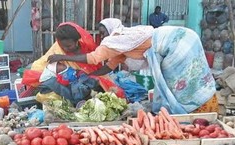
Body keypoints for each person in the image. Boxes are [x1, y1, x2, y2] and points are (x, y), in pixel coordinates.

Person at [48, 18, 218, 114]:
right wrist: (91, 76)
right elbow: (109, 66)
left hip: (176, 42)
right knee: (184, 80)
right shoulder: (124, 43)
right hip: (182, 37)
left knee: (182, 82)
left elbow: (93, 58)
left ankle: (195, 111)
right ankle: (194, 111)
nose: (103, 36)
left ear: (111, 30)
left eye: (103, 32)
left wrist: (60, 56)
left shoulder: (115, 39)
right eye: (100, 34)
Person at [31, 22, 125, 104]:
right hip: (68, 84)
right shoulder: (57, 50)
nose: (65, 49)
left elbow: (94, 62)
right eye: (63, 46)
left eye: (69, 46)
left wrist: (87, 76)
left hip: (87, 81)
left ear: (77, 41)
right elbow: (39, 67)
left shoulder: (86, 48)